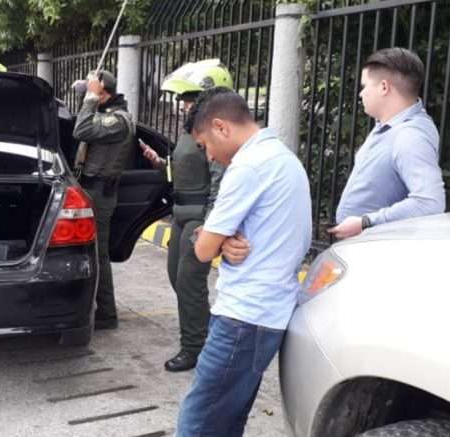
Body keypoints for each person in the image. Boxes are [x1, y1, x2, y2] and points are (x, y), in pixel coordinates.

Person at [175, 87, 311, 436]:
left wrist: (213, 241)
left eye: (204, 146)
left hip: (244, 317)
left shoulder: (248, 166)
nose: (208, 158)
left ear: (220, 127)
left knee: (198, 424)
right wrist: (221, 242)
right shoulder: (280, 156)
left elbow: (203, 249)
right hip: (264, 313)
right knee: (225, 421)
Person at [140, 59, 250, 372]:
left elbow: (219, 182)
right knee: (178, 278)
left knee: (189, 282)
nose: (184, 105)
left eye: (189, 99)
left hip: (199, 217)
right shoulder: (193, 132)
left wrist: (210, 224)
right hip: (181, 213)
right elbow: (184, 170)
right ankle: (206, 334)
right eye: (184, 99)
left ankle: (196, 349)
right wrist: (159, 163)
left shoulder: (215, 134)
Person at [330, 47, 445, 239]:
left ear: (384, 87)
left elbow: (430, 202)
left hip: (378, 249)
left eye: (365, 86)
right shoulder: (388, 126)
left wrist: (366, 222)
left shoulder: (410, 135)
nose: (361, 94)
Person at [72, 70, 135, 330]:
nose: (86, 97)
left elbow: (81, 129)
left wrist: (91, 98)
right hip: (90, 189)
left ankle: (107, 314)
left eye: (93, 91)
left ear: (103, 92)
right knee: (89, 252)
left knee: (98, 254)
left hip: (99, 192)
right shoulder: (105, 115)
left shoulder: (117, 121)